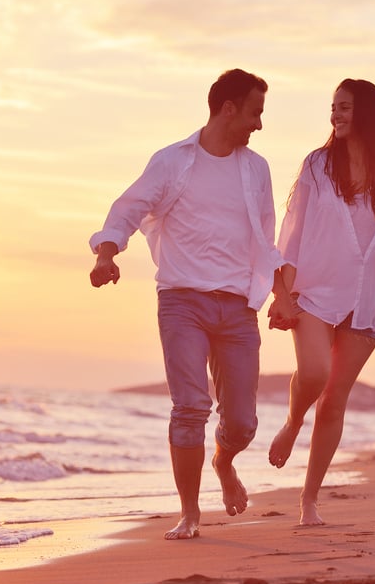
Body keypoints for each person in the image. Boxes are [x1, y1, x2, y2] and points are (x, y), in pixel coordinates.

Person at [89, 68, 291, 540]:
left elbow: (266, 236)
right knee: (190, 407)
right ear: (228, 109)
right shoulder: (172, 162)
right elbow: (128, 208)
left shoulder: (255, 169)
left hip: (238, 308)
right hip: (182, 301)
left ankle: (225, 459)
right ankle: (190, 513)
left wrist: (282, 290)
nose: (259, 125)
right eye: (255, 113)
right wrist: (106, 253)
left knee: (241, 422)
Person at [266, 78, 375, 526]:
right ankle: (293, 419)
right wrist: (282, 290)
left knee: (335, 399)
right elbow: (292, 231)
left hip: (368, 299)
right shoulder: (317, 165)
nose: (335, 115)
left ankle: (309, 500)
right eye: (333, 107)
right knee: (316, 373)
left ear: (367, 113)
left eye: (344, 107)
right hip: (316, 291)